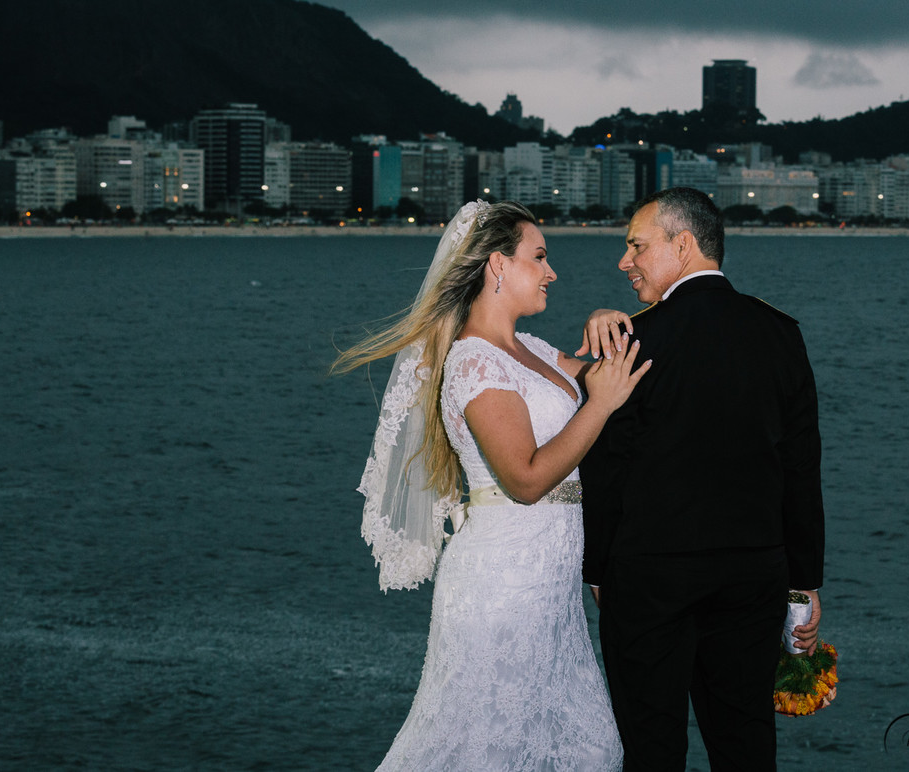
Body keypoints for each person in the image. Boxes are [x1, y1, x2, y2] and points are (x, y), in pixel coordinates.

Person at [333, 200, 650, 770]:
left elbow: (617, 375)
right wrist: (597, 407)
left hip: (551, 593)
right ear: (497, 266)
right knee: (490, 749)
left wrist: (613, 321)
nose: (552, 272)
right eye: (540, 256)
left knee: (588, 748)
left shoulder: (528, 349)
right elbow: (526, 479)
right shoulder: (473, 364)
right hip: (502, 590)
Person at [579, 187, 826, 771]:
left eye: (637, 245)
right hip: (753, 577)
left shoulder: (634, 341)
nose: (625, 261)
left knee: (652, 749)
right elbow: (800, 466)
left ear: (682, 245)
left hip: (649, 578)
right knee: (745, 745)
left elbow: (607, 466)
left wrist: (598, 568)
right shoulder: (780, 332)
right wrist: (804, 582)